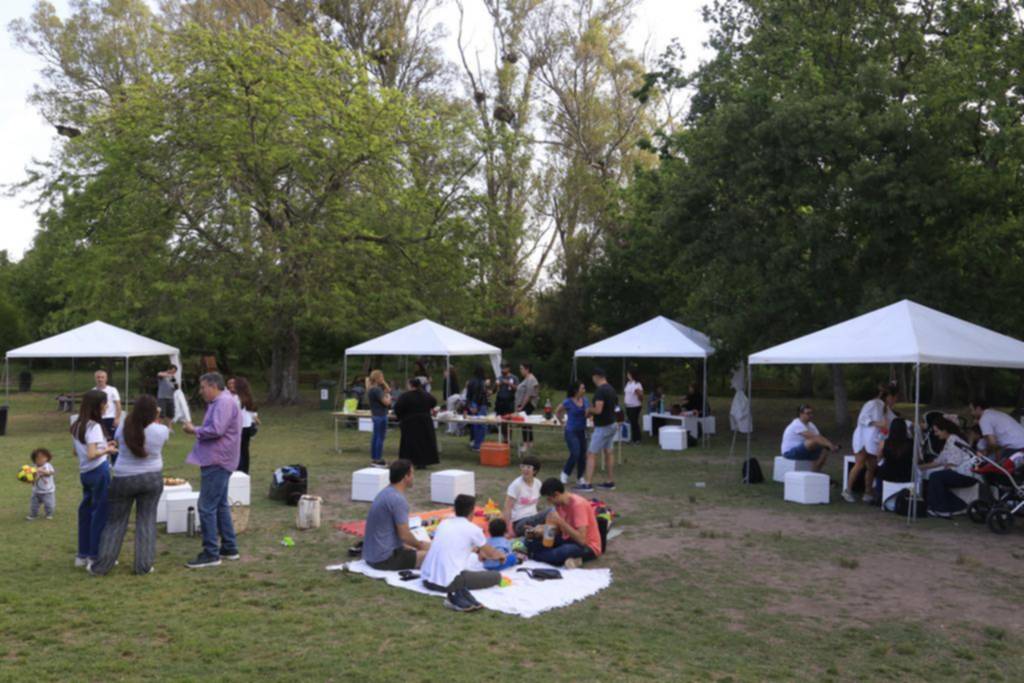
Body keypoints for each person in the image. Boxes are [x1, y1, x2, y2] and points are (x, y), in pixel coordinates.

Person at [90, 395, 168, 576]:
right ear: (154, 412)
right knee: (146, 521)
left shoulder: (124, 427)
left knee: (115, 523)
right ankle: (143, 566)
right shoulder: (161, 430)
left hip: (123, 478)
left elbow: (119, 439)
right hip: (152, 478)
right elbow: (160, 433)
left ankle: (102, 567)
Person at [182, 372, 241, 569]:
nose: (201, 392)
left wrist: (194, 430)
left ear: (213, 386)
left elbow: (216, 430)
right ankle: (229, 547)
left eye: (202, 387)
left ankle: (211, 553)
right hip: (220, 459)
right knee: (221, 504)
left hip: (218, 460)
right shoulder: (222, 402)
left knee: (206, 506)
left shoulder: (223, 402)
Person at [421, 494, 504, 612]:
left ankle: (460, 593)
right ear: (472, 511)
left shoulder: (444, 523)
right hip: (446, 583)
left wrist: (479, 550)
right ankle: (455, 596)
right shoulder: (473, 529)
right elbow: (492, 554)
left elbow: (458, 544)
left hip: (426, 579)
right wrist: (502, 556)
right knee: (496, 577)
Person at [72, 389, 117, 569]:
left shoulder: (76, 424)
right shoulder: (95, 426)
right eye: (105, 403)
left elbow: (77, 451)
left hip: (85, 474)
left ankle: (82, 555)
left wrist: (104, 445)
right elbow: (92, 454)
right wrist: (108, 450)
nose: (107, 406)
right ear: (98, 406)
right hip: (99, 472)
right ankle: (95, 555)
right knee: (100, 514)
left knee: (86, 513)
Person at [363, 459, 430, 570]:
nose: (413, 477)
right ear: (405, 477)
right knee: (434, 555)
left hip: (371, 555)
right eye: (412, 473)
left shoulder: (385, 492)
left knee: (424, 547)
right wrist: (421, 546)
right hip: (384, 559)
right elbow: (404, 535)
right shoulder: (398, 500)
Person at [526, 478, 602, 568]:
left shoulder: (578, 505)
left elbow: (582, 540)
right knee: (531, 541)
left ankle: (533, 555)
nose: (549, 502)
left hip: (587, 546)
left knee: (563, 551)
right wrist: (542, 530)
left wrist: (560, 522)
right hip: (567, 539)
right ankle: (537, 554)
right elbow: (560, 531)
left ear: (556, 494)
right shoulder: (559, 504)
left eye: (549, 499)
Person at [843, 383, 898, 504]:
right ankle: (847, 490)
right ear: (889, 396)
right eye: (894, 398)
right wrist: (879, 424)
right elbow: (862, 419)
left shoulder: (885, 407)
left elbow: (894, 420)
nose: (895, 401)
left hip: (873, 440)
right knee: (860, 464)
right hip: (863, 438)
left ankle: (868, 493)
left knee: (872, 467)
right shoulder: (872, 404)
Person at [920, 417, 978, 518]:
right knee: (931, 476)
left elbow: (952, 464)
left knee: (935, 476)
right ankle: (937, 506)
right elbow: (938, 461)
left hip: (967, 474)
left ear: (944, 430)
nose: (935, 434)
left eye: (937, 431)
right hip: (961, 472)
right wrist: (919, 467)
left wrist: (940, 467)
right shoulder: (949, 441)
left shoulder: (954, 441)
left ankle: (941, 509)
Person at [577, 368, 617, 492]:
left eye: (593, 377)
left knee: (591, 453)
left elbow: (598, 410)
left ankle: (587, 484)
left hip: (603, 427)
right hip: (612, 424)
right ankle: (610, 482)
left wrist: (589, 410)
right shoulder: (611, 389)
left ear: (596, 377)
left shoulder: (600, 391)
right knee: (608, 452)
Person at [393, 378, 439, 469]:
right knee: (424, 442)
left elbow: (397, 408)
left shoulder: (405, 396)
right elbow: (434, 402)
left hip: (410, 422)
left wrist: (401, 417)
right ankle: (423, 462)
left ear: (410, 385)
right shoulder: (426, 395)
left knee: (410, 443)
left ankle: (409, 462)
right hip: (425, 422)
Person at [780, 404, 840, 473]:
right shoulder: (796, 424)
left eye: (811, 413)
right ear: (801, 414)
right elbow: (814, 437)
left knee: (824, 448)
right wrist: (830, 445)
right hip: (790, 453)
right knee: (813, 441)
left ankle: (816, 473)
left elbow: (820, 437)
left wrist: (830, 446)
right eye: (808, 413)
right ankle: (815, 473)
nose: (811, 415)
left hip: (803, 451)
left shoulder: (811, 425)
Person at [555, 381, 589, 486]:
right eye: (582, 388)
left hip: (582, 431)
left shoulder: (585, 400)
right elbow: (558, 411)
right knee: (575, 452)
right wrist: (561, 422)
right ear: (576, 390)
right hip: (571, 431)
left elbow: (588, 413)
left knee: (582, 455)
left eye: (584, 388)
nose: (584, 390)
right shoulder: (568, 402)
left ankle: (580, 477)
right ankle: (565, 474)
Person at [502, 455, 545, 537]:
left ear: (535, 471)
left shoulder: (538, 483)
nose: (525, 469)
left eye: (528, 467)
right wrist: (508, 530)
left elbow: (535, 505)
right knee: (550, 512)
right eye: (523, 466)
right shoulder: (516, 485)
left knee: (549, 527)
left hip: (533, 519)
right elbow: (507, 508)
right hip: (519, 522)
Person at [876, 418, 914, 486]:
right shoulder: (911, 443)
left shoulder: (884, 443)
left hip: (887, 476)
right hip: (905, 476)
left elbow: (878, 459)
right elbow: (917, 459)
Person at [233, 377, 259, 475]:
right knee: (245, 451)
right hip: (248, 427)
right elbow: (253, 413)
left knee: (238, 451)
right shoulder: (249, 398)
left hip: (239, 428)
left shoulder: (236, 399)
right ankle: (244, 471)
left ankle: (239, 470)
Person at [366, 370, 392, 468]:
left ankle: (374, 458)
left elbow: (388, 389)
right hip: (381, 415)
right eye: (381, 377)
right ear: (377, 378)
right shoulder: (377, 390)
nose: (383, 379)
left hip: (376, 415)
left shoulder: (371, 389)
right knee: (380, 438)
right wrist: (389, 399)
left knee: (376, 437)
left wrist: (383, 382)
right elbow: (386, 403)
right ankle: (378, 459)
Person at [515, 362, 540, 456]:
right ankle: (529, 443)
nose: (520, 370)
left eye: (522, 368)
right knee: (526, 423)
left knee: (524, 422)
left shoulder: (531, 379)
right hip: (525, 404)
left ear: (527, 369)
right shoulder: (527, 378)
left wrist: (522, 406)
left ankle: (527, 444)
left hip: (528, 404)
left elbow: (529, 395)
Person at [25, 448, 55, 520]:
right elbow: (32, 478)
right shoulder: (33, 468)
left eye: (43, 457)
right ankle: (33, 515)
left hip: (48, 491)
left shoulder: (48, 466)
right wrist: (30, 480)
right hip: (36, 491)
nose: (41, 460)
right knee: (34, 505)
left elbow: (51, 473)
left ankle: (49, 514)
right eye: (38, 458)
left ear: (47, 458)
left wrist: (42, 471)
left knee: (49, 504)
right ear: (34, 460)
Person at [465, 366, 490, 452]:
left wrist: (470, 406)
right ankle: (479, 445)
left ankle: (474, 442)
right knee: (481, 426)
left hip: (472, 404)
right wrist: (478, 407)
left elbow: (468, 396)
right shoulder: (482, 382)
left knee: (475, 425)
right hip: (480, 405)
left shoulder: (470, 381)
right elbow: (480, 396)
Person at [93, 370, 123, 440]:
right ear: (95, 379)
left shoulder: (112, 390)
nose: (100, 379)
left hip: (110, 418)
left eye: (102, 377)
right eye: (98, 377)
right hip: (98, 419)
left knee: (111, 439)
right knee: (99, 438)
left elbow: (118, 405)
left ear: (106, 379)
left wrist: (117, 418)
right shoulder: (92, 391)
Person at [494, 362, 518, 442]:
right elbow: (494, 390)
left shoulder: (514, 378)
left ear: (508, 368)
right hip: (500, 402)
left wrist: (509, 384)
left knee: (508, 420)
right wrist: (497, 385)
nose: (502, 370)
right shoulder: (499, 378)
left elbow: (517, 389)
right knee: (500, 420)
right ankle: (503, 437)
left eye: (504, 368)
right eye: (502, 368)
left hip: (509, 402)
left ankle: (508, 439)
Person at [623, 368, 644, 444]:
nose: (627, 375)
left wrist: (639, 396)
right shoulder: (628, 383)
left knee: (634, 422)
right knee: (631, 422)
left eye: (628, 374)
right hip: (628, 406)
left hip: (635, 406)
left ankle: (637, 439)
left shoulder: (637, 384)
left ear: (632, 375)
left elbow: (641, 395)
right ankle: (633, 438)